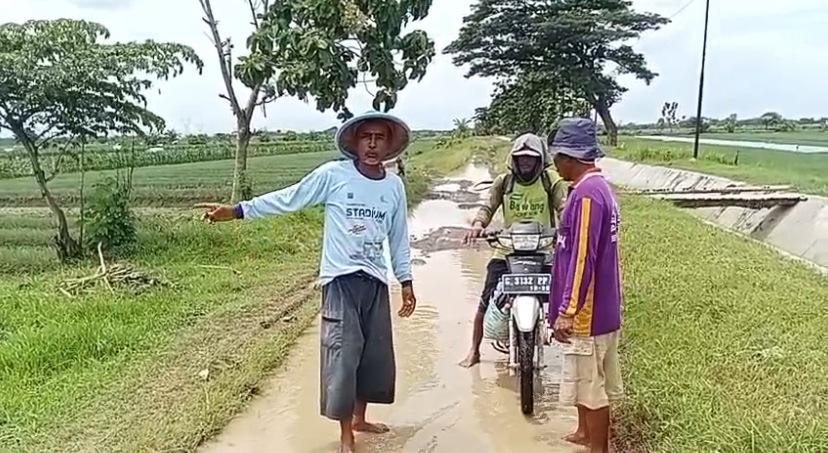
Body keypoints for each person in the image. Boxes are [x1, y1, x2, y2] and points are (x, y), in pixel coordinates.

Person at [195, 110, 417, 453]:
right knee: (344, 353)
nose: (372, 144)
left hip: (374, 280)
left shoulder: (394, 186)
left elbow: (399, 237)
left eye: (380, 138)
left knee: (374, 354)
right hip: (340, 280)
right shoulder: (334, 175)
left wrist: (405, 281)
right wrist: (238, 210)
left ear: (389, 144)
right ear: (355, 142)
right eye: (366, 137)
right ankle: (346, 435)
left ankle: (360, 418)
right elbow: (291, 197)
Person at [459, 133, 569, 368]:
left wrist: (567, 227)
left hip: (544, 250)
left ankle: (567, 344)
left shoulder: (551, 181)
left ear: (540, 159)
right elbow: (488, 207)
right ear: (514, 159)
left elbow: (564, 208)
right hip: (507, 250)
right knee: (486, 300)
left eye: (531, 158)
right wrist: (478, 225)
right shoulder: (504, 181)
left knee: (565, 295)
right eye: (521, 158)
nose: (526, 163)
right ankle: (474, 350)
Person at [548, 117, 623, 453]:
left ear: (569, 157)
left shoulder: (588, 195)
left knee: (592, 386)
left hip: (589, 311)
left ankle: (598, 448)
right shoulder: (595, 188)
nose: (554, 164)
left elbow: (582, 258)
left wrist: (568, 310)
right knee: (585, 378)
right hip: (599, 306)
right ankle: (583, 433)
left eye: (557, 157)